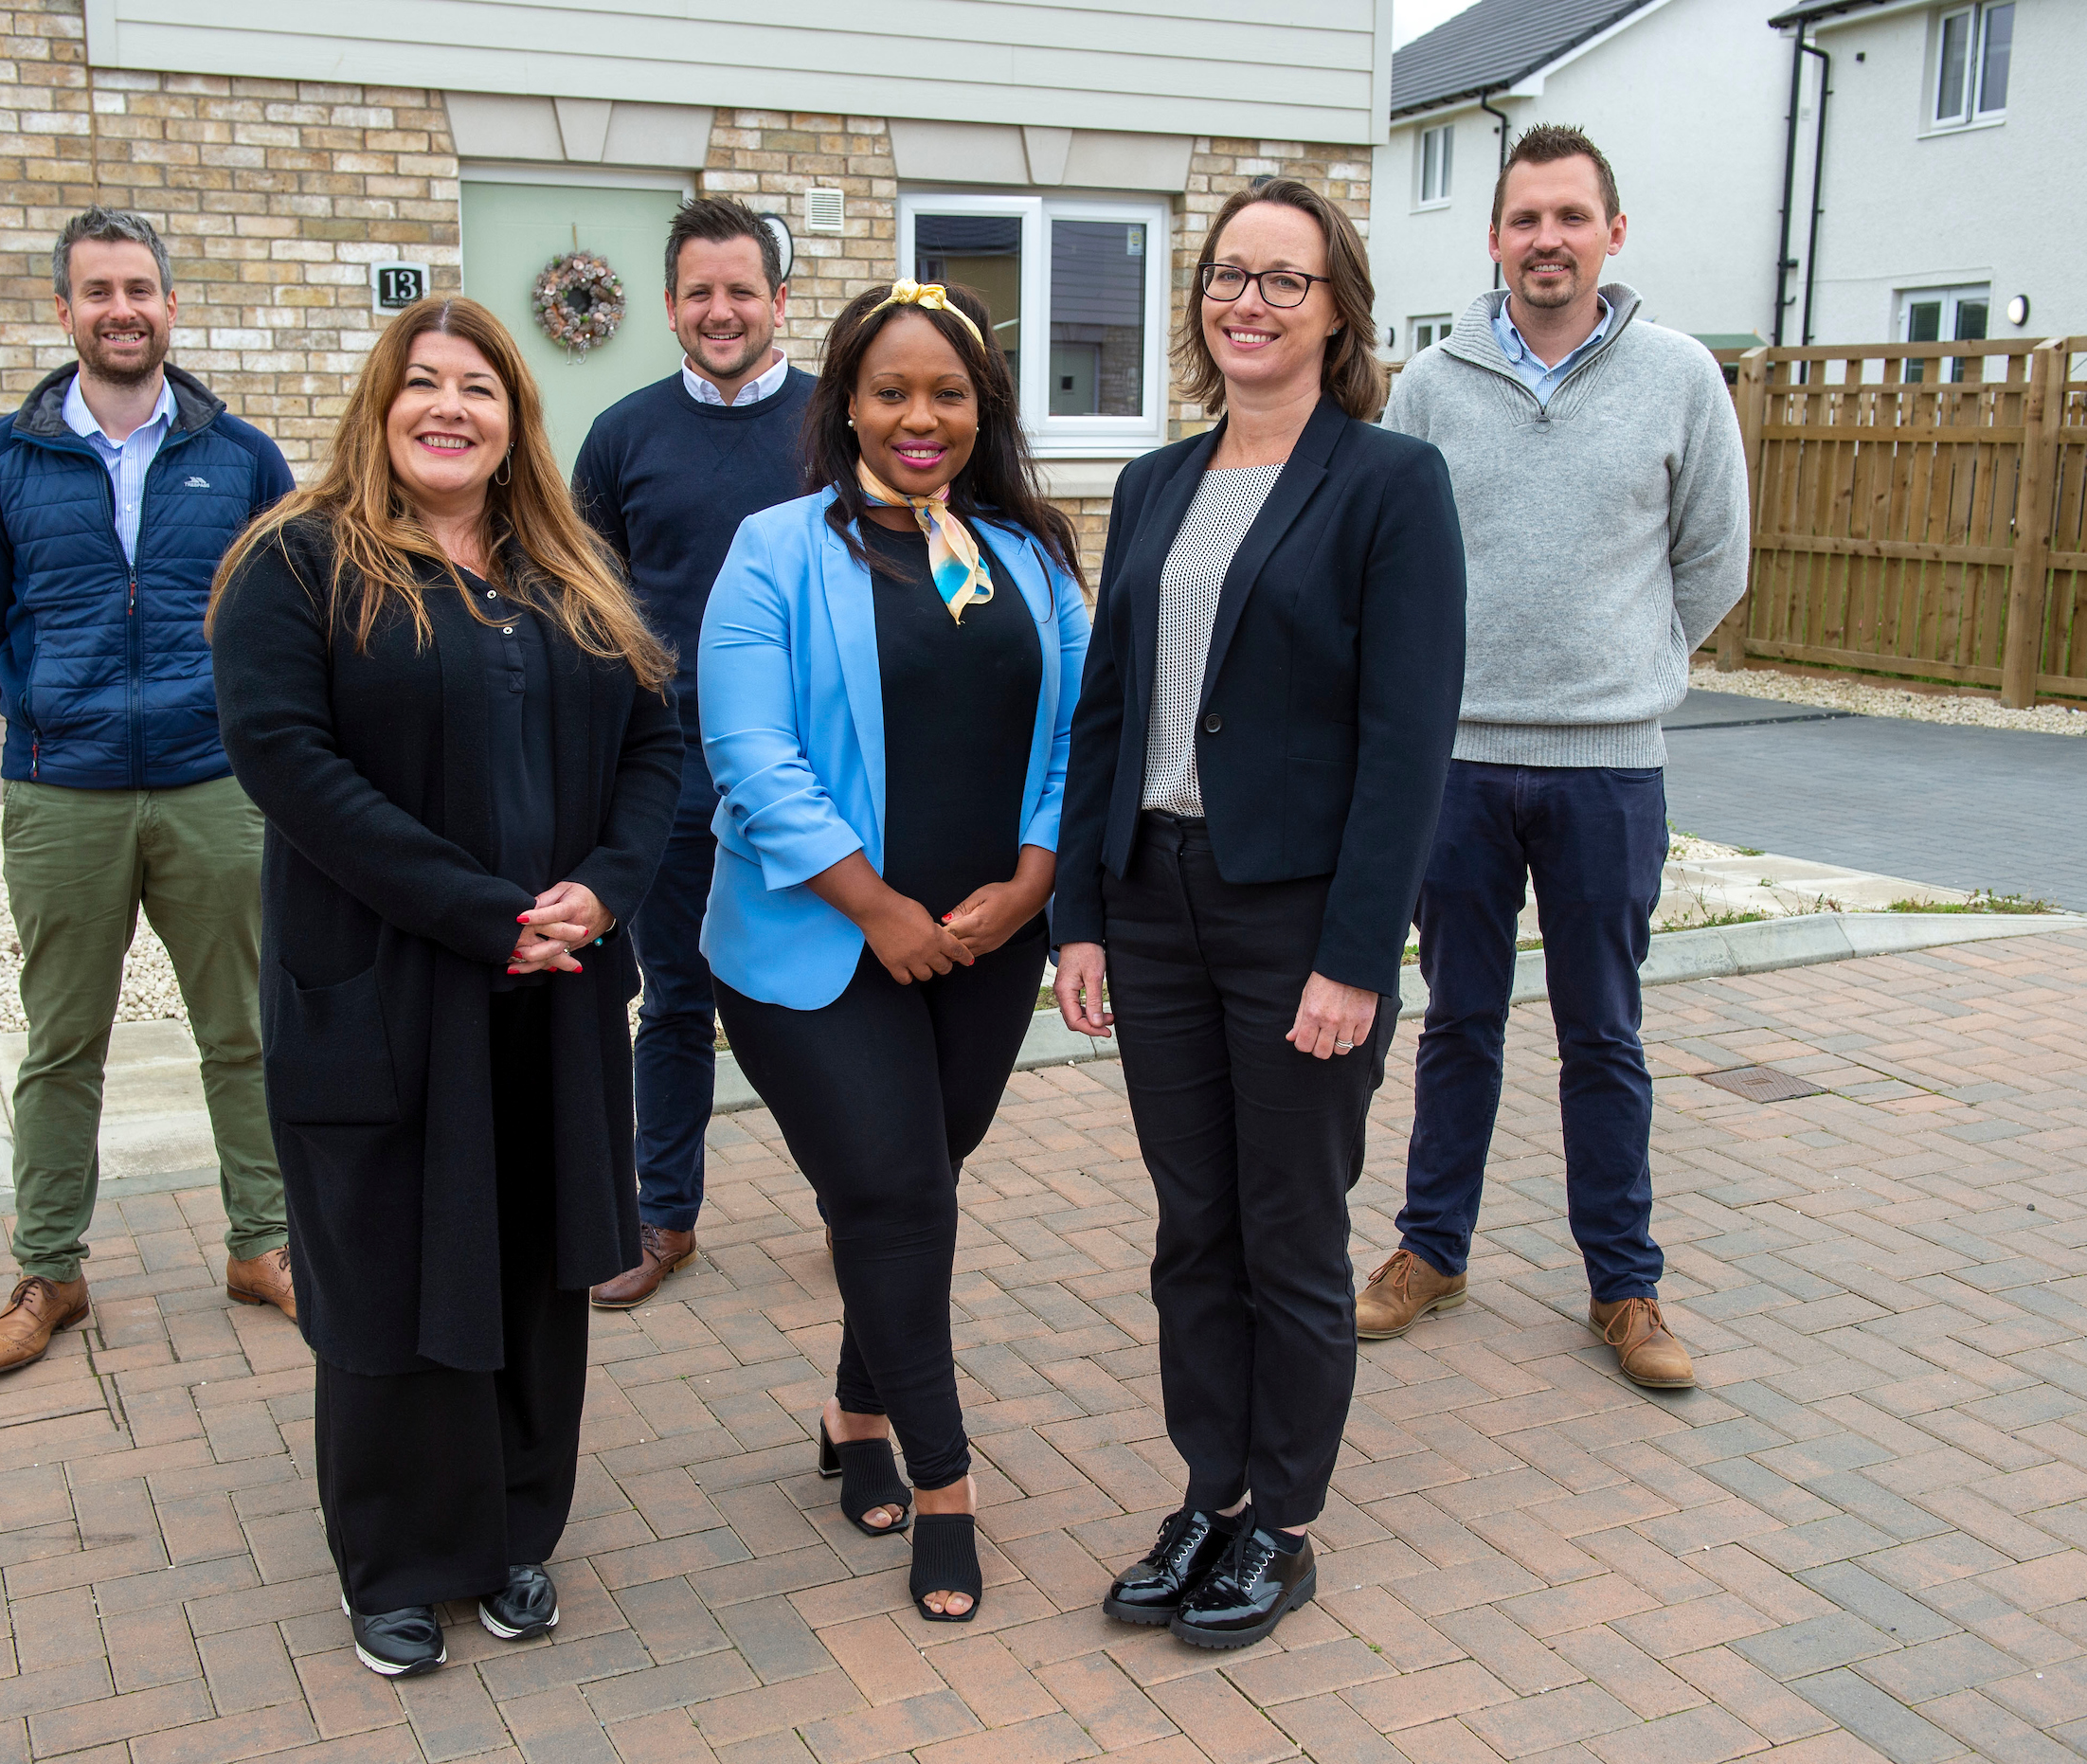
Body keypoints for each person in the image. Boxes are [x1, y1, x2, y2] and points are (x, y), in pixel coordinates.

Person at [207, 295, 681, 1677]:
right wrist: (489, 914)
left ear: (515, 419)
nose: (450, 408)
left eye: (480, 387)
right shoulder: (296, 566)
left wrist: (606, 883)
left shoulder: (567, 568)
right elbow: (291, 766)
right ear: (380, 402)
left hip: (557, 984)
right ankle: (400, 1559)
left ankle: (517, 1528)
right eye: (425, 384)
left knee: (534, 1258)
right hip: (387, 992)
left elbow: (657, 741)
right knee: (392, 1268)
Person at [1053, 180, 1466, 1650]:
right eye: (1230, 275)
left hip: (1297, 920)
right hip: (1154, 903)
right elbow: (1109, 711)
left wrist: (1358, 954)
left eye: (1284, 280)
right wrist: (1082, 916)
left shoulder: (1388, 482)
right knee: (1191, 1225)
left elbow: (1411, 739)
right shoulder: (1157, 482)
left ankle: (1281, 1524)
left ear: (1337, 306)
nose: (1250, 301)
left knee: (1289, 1231)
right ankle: (1209, 1489)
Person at [700, 279, 1090, 1623]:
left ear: (983, 412)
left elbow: (1071, 742)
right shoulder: (773, 550)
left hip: (987, 948)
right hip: (824, 949)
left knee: (909, 1192)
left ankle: (856, 1411)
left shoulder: (1029, 558)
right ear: (845, 404)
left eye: (949, 394)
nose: (920, 417)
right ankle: (945, 1485)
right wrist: (879, 907)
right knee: (902, 1199)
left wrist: (1035, 877)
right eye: (891, 391)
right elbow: (750, 752)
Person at [1368, 125, 1749, 1392]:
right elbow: (1401, 567)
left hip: (1609, 769)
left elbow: (1713, 562)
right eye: (1525, 218)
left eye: (1571, 217)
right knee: (1457, 1022)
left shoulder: (1683, 377)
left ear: (1614, 233)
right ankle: (1434, 1250)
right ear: (1493, 237)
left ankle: (1624, 1286)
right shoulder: (1430, 385)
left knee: (1605, 1032)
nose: (1548, 239)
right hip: (1460, 764)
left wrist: (1626, 664)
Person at [0, 207, 297, 1374]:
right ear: (64, 312)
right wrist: (51, 709)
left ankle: (265, 1243)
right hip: (64, 794)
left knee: (244, 1031)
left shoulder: (240, 457)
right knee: (62, 1041)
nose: (122, 309)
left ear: (171, 305)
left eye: (139, 287)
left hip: (214, 785)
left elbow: (278, 613)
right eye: (97, 291)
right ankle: (50, 1269)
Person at [572, 198, 816, 1308]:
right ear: (670, 306)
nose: (722, 311)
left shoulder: (837, 426)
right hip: (670, 769)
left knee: (822, 997)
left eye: (742, 289)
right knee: (673, 999)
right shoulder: (622, 436)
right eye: (700, 292)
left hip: (813, 770)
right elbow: (584, 613)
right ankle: (661, 1215)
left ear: (778, 298)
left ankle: (859, 1203)